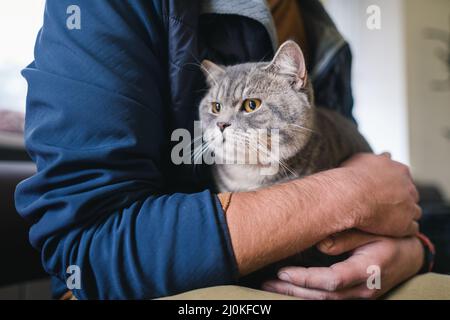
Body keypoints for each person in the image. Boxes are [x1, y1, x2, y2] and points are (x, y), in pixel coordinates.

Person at [16, 0, 435, 300]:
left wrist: (413, 251)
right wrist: (345, 196)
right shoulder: (102, 9)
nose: (221, 121)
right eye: (215, 107)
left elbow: (372, 191)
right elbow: (86, 247)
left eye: (248, 105)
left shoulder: (320, 29)